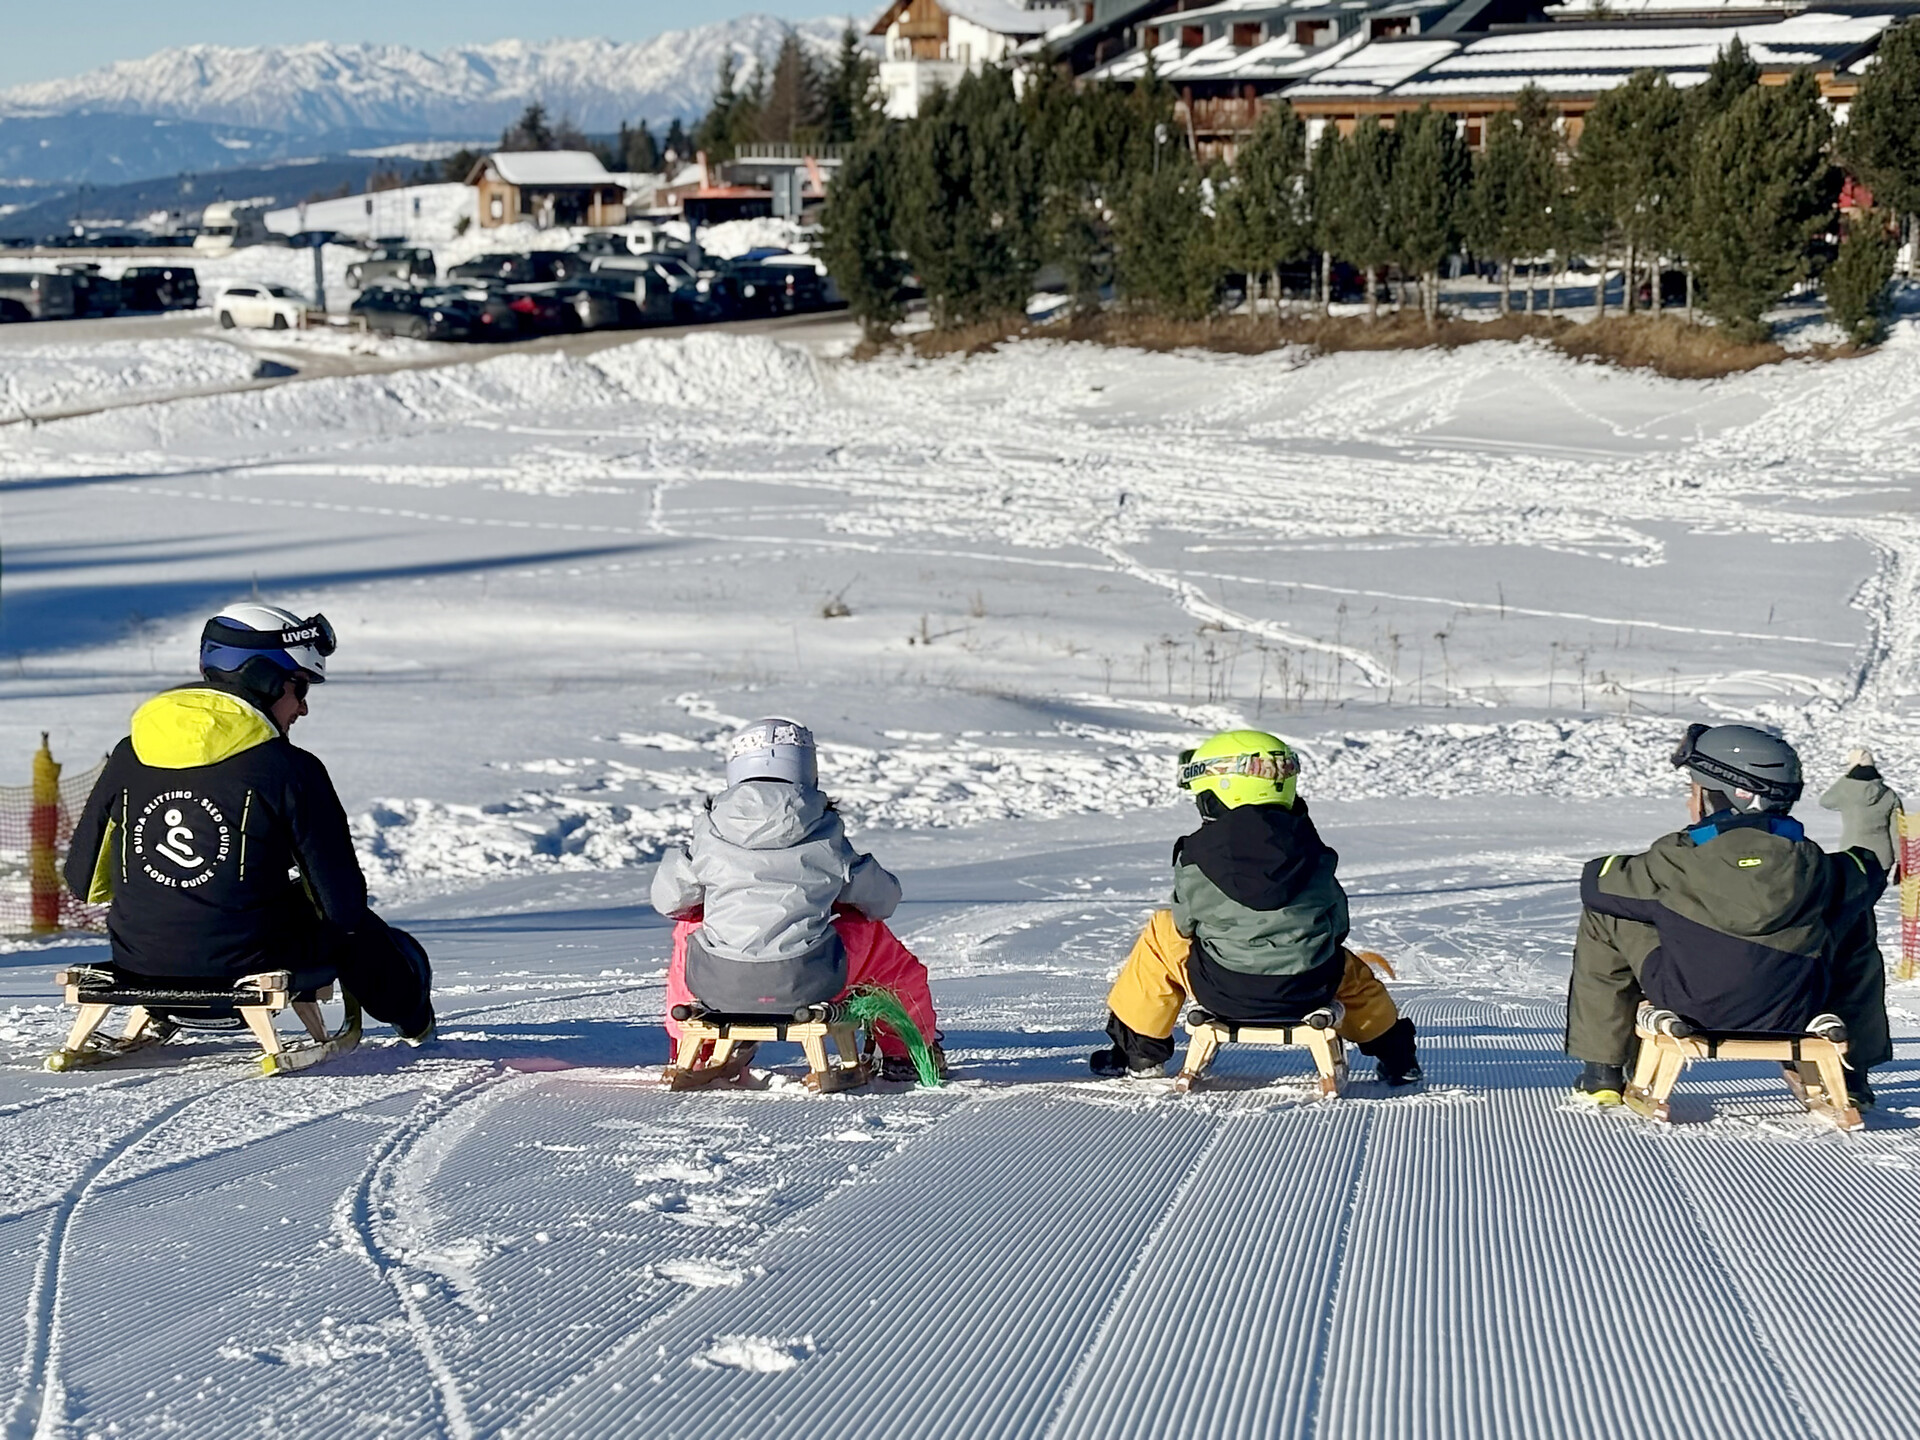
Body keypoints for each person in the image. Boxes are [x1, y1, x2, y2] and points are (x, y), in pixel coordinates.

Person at [63, 604, 435, 1043]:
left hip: (140, 966)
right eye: (300, 688)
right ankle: (414, 1021)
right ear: (264, 678)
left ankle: (167, 1009)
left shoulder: (129, 753)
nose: (303, 708)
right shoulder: (290, 768)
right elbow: (343, 907)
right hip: (252, 971)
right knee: (367, 933)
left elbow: (81, 881)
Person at [1566, 723, 1892, 1108]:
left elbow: (1596, 883)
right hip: (1797, 1005)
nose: (1691, 803)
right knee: (1853, 913)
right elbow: (1868, 868)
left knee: (1608, 913)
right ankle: (1850, 1075)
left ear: (1724, 797)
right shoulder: (1816, 865)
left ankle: (1602, 1071)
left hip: (1689, 1002)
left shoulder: (1675, 858)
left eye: (1695, 791)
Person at [1091, 729, 1420, 1086]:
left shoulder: (1197, 855)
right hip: (1308, 990)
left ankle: (1139, 1052)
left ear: (1223, 790)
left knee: (1162, 931)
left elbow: (1186, 925)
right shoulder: (1314, 854)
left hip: (1223, 991)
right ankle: (1397, 1056)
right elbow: (1338, 924)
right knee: (1349, 971)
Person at [652, 717, 943, 1080]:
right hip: (811, 980)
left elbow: (668, 900)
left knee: (689, 929)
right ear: (809, 770)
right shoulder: (823, 830)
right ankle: (908, 1053)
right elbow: (882, 901)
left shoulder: (709, 832)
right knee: (878, 942)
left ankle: (696, 1049)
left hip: (717, 984)